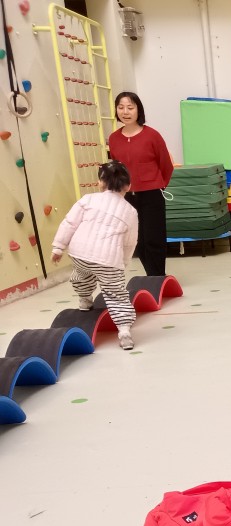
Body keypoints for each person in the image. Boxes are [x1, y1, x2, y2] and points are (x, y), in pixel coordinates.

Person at [51, 161, 139, 350]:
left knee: (81, 275)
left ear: (100, 183)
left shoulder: (88, 199)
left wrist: (58, 247)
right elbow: (130, 242)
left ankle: (85, 299)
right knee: (116, 294)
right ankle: (124, 331)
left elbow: (69, 224)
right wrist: (123, 262)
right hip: (108, 259)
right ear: (128, 186)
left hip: (80, 253)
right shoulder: (130, 211)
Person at [108, 92, 174, 277]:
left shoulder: (152, 135)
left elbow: (166, 165)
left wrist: (159, 185)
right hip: (127, 197)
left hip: (152, 193)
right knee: (137, 240)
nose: (125, 112)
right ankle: (151, 275)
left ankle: (157, 276)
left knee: (154, 238)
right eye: (121, 107)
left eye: (130, 107)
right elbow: (117, 168)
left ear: (138, 110)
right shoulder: (113, 138)